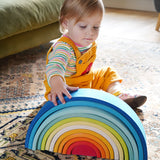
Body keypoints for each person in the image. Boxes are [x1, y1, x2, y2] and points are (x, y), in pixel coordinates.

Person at [44, 0, 147, 108]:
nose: (91, 32)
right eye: (83, 26)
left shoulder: (87, 41)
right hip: (68, 89)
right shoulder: (63, 47)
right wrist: (57, 83)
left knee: (108, 72)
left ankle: (118, 94)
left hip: (86, 81)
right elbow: (55, 66)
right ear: (66, 23)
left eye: (96, 27)